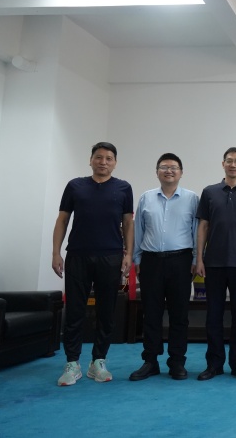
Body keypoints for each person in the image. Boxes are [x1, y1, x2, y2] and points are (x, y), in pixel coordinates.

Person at [52, 142, 133, 386]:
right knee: (75, 310)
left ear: (115, 163)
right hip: (78, 255)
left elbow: (128, 223)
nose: (103, 162)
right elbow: (62, 220)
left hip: (111, 256)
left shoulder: (123, 188)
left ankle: (98, 361)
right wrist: (56, 253)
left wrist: (128, 254)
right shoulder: (75, 186)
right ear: (90, 160)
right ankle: (72, 363)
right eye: (98, 157)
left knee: (106, 311)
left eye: (109, 158)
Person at [129, 153, 199, 381]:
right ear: (157, 171)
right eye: (164, 167)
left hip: (181, 261)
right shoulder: (146, 198)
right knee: (151, 312)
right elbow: (138, 230)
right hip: (151, 261)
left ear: (181, 172)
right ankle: (150, 361)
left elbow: (197, 232)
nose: (169, 171)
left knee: (180, 314)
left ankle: (177, 361)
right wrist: (137, 259)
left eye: (174, 167)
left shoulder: (192, 198)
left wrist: (196, 260)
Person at [195, 147, 236, 381]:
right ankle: (214, 364)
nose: (233, 165)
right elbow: (203, 226)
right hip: (213, 263)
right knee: (213, 315)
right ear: (223, 164)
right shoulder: (209, 192)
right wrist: (199, 258)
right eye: (229, 161)